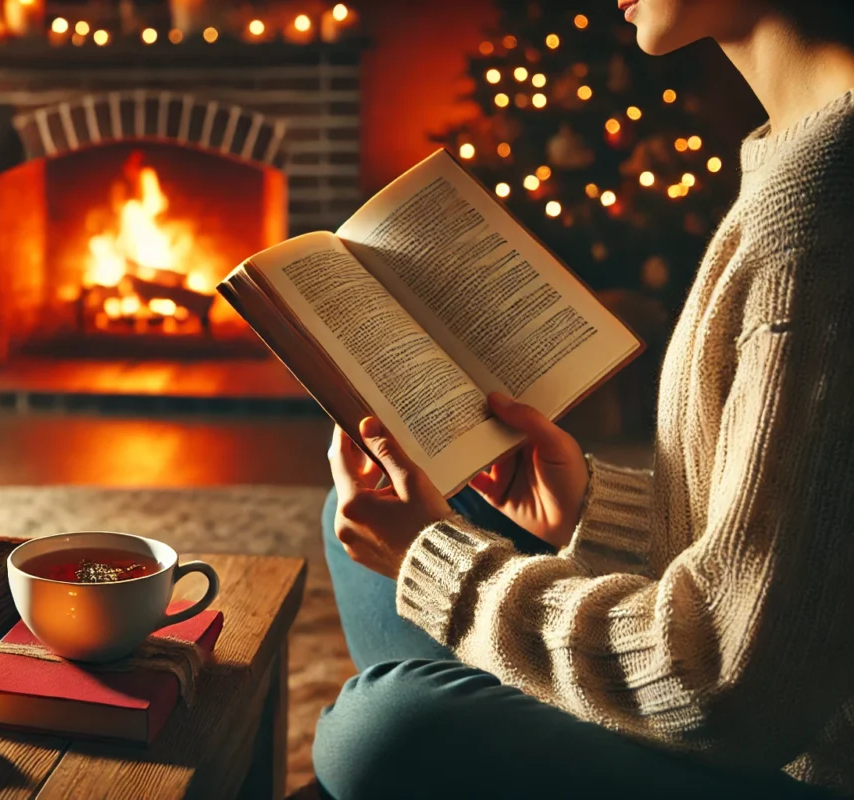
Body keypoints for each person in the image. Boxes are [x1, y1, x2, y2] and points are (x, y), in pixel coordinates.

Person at [313, 1, 854, 797]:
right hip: (767, 702)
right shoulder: (796, 149)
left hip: (803, 767)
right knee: (361, 522)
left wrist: (442, 564)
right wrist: (587, 512)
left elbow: (735, 688)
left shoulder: (820, 217)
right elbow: (798, 549)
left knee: (380, 728)